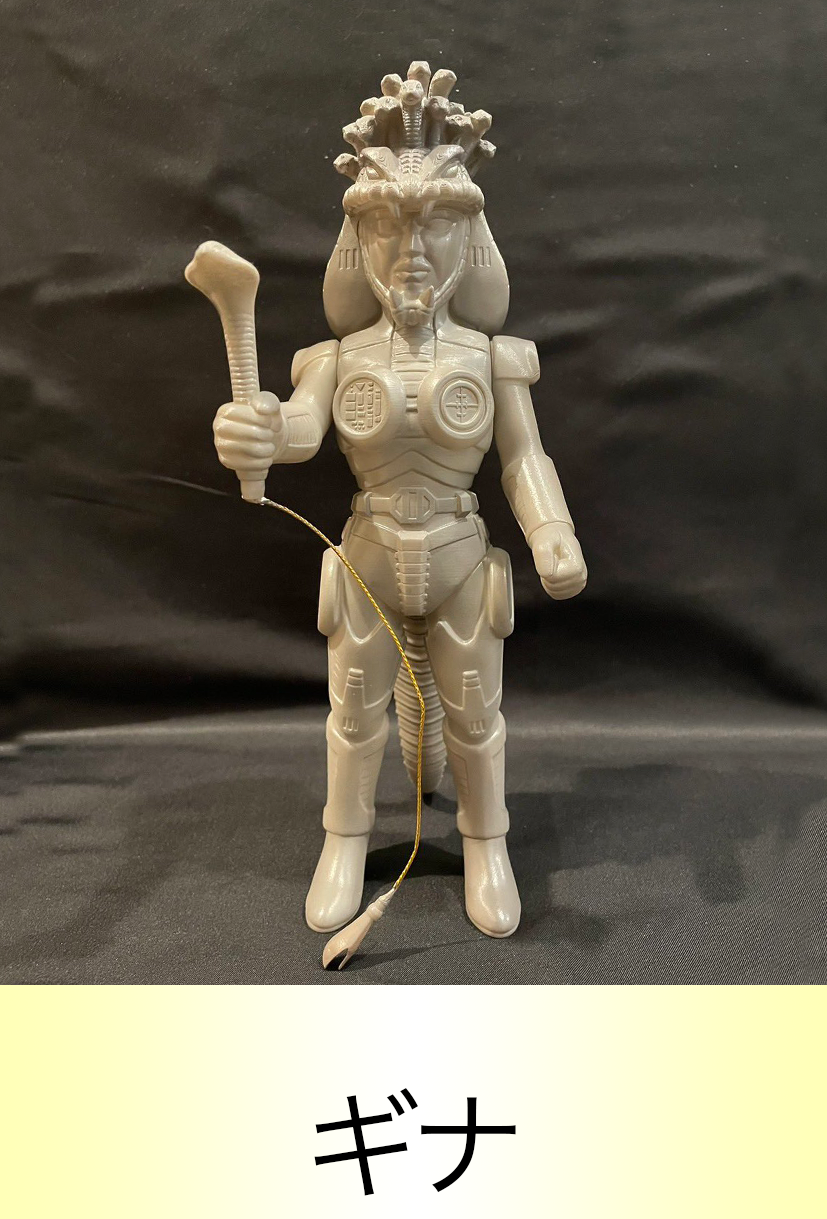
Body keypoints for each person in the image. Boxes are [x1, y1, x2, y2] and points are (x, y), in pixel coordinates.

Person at [212, 62, 587, 940]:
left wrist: (551, 532)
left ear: (469, 239)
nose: (411, 251)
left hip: (458, 555)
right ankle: (344, 839)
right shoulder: (335, 360)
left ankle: (485, 842)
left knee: (473, 712)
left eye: (435, 227)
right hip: (369, 554)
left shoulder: (490, 358)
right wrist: (255, 430)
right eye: (386, 227)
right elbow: (298, 428)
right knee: (353, 710)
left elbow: (523, 455)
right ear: (359, 241)